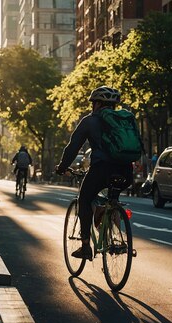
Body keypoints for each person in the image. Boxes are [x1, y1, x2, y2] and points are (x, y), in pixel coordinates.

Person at [54, 86, 133, 260]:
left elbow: (73, 148)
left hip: (101, 170)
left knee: (84, 198)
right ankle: (114, 230)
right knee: (113, 198)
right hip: (127, 171)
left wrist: (61, 167)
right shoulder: (124, 120)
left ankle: (85, 246)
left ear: (96, 104)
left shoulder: (89, 121)